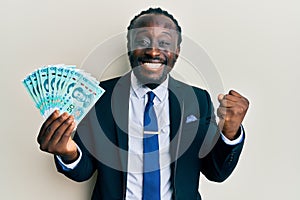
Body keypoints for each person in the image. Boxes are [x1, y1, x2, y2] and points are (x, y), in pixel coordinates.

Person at [37, 7, 249, 200]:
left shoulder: (197, 100)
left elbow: (216, 172)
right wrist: (67, 152)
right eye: (143, 42)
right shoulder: (99, 97)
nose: (154, 52)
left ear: (177, 50)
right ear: (130, 46)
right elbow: (83, 171)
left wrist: (230, 134)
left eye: (164, 43)